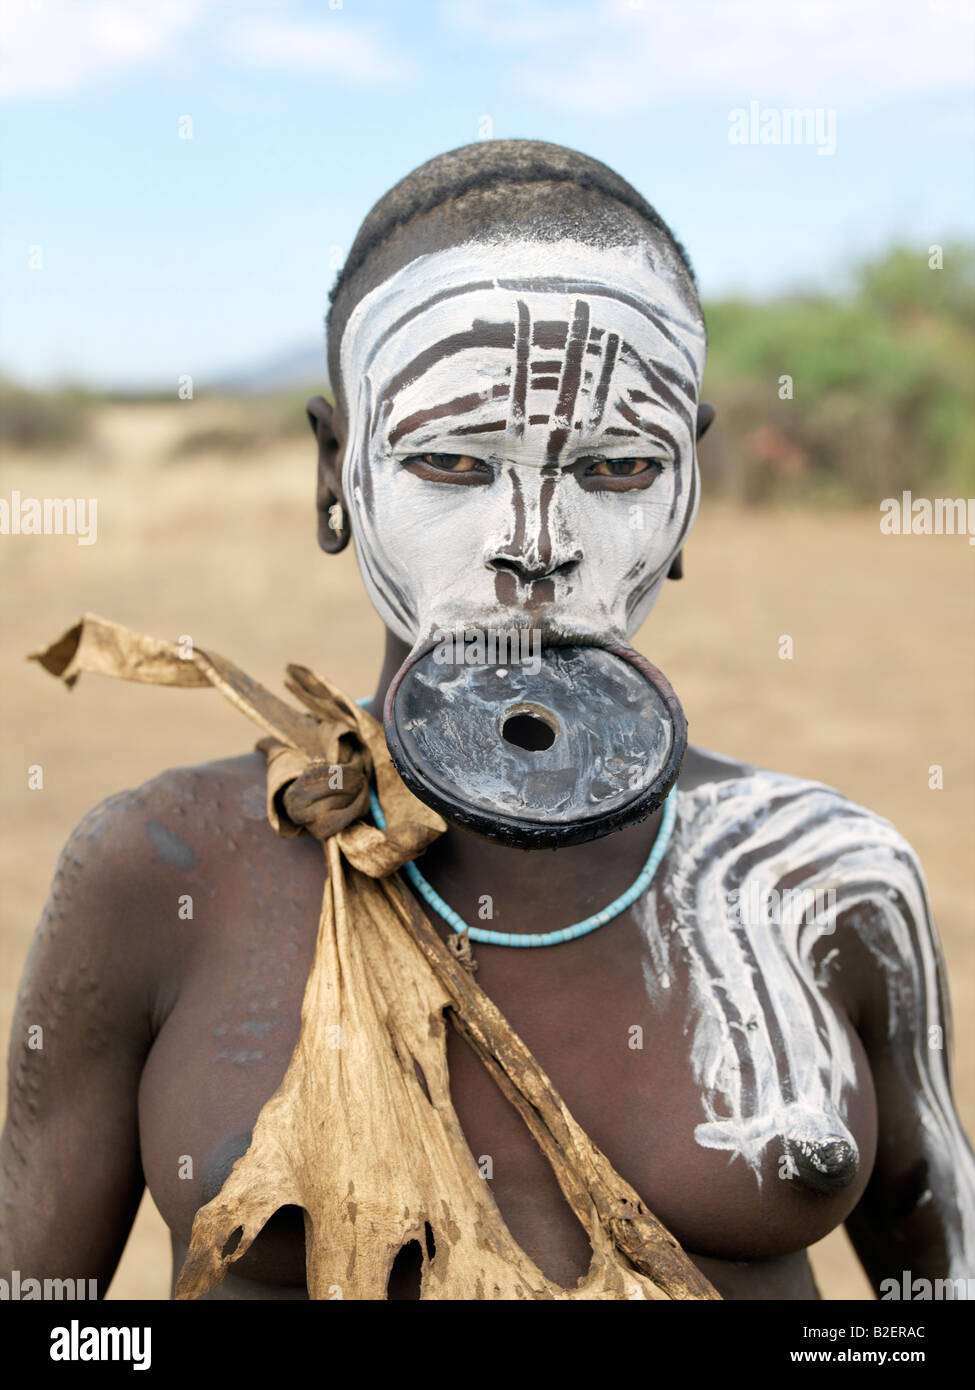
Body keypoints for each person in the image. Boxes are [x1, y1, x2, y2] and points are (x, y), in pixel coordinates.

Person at [2, 140, 973, 1301]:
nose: (536, 542)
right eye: (454, 458)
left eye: (616, 466)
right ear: (335, 469)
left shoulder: (827, 879)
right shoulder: (158, 867)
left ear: (691, 489)